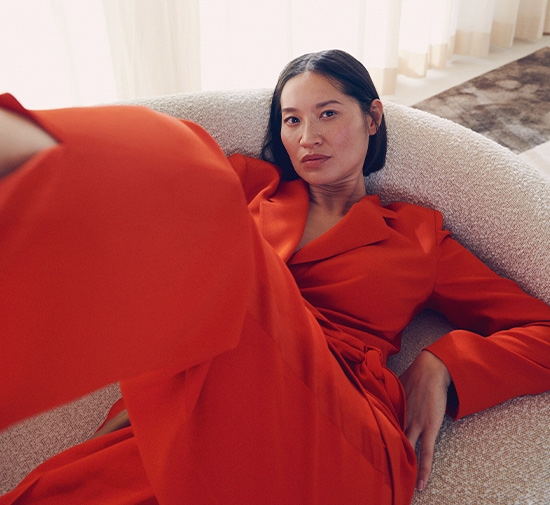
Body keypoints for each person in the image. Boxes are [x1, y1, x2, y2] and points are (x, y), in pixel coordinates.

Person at [0, 49, 549, 505]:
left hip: (336, 435)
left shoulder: (421, 238)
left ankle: (22, 146)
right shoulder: (254, 189)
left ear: (373, 118)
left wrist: (444, 363)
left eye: (328, 113)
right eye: (292, 119)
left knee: (186, 171)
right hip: (210, 409)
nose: (307, 135)